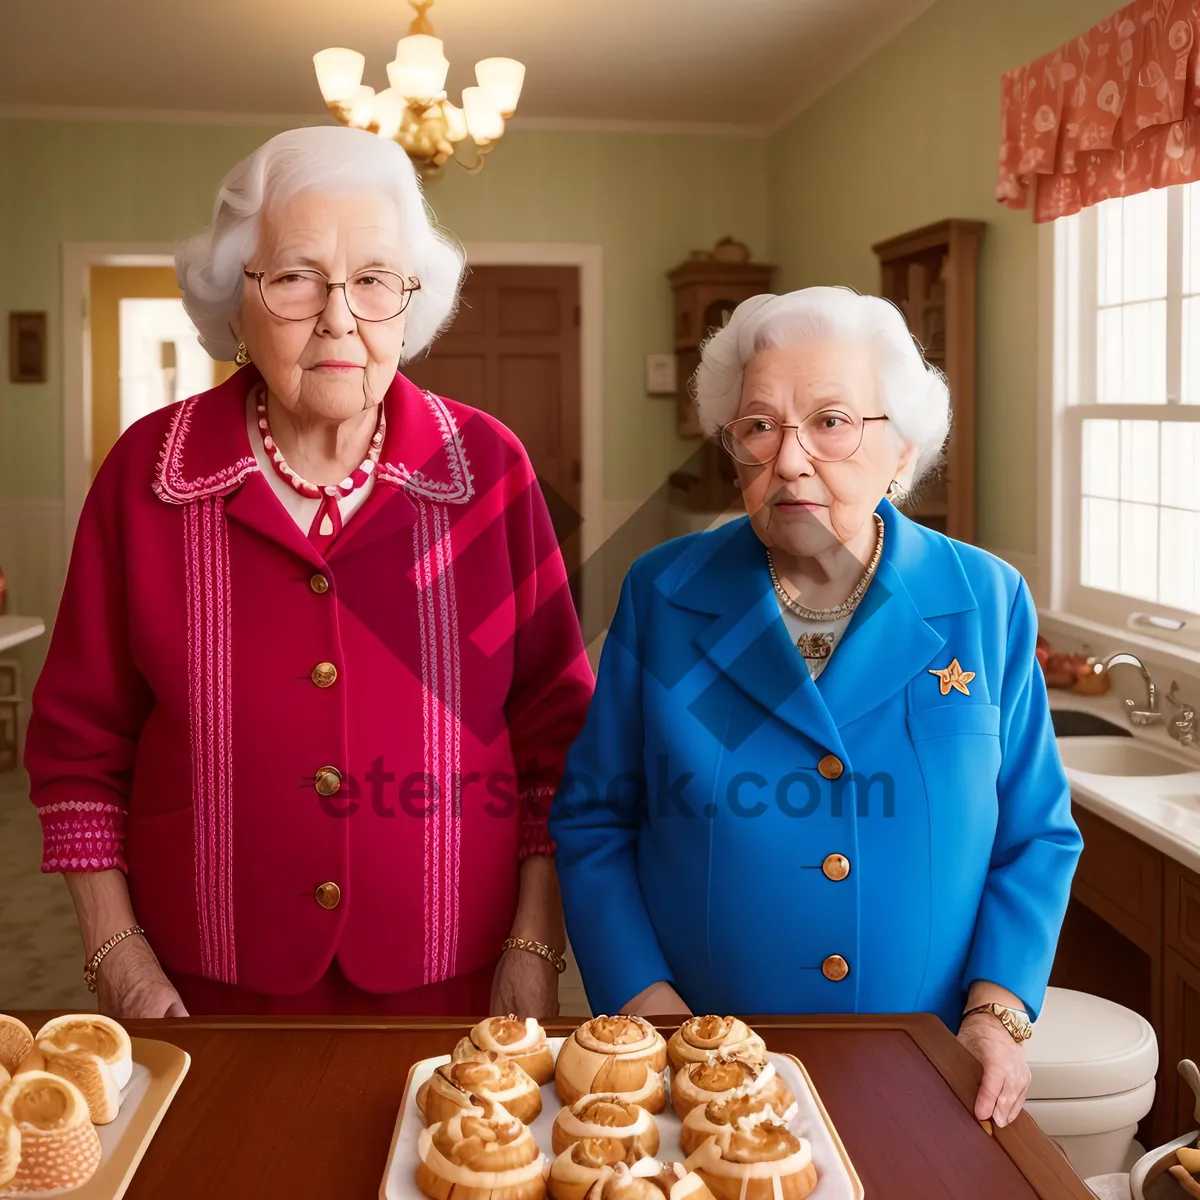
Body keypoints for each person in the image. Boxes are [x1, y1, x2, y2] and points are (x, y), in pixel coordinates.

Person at [26, 125, 593, 1018]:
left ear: (409, 303)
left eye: (373, 279)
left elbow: (556, 740)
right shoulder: (148, 472)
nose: (340, 316)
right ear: (233, 299)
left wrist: (533, 947)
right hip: (206, 979)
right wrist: (118, 955)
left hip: (456, 976)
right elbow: (77, 752)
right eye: (296, 277)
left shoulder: (487, 466)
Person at [549, 287, 1082, 1128]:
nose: (790, 458)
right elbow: (594, 819)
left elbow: (1036, 833)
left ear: (901, 451)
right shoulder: (666, 591)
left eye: (831, 421)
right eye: (758, 426)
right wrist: (645, 1002)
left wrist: (996, 1014)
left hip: (925, 1066)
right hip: (706, 1068)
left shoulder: (986, 600)